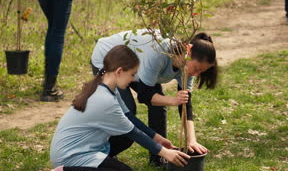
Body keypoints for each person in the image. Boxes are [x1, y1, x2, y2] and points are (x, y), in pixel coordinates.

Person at [50, 45, 190, 171]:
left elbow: (129, 117)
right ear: (119, 71)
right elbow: (134, 132)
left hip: (84, 151)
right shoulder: (105, 101)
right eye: (132, 74)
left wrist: (157, 138)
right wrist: (166, 153)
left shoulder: (107, 88)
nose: (133, 79)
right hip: (71, 157)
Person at [91, 29, 217, 167]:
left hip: (138, 65)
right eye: (197, 68)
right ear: (188, 51)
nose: (196, 74)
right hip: (108, 57)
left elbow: (186, 104)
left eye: (201, 72)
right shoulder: (158, 54)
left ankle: (158, 158)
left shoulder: (186, 67)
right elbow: (144, 96)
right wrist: (173, 100)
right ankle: (100, 155)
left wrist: (191, 141)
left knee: (158, 105)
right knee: (126, 111)